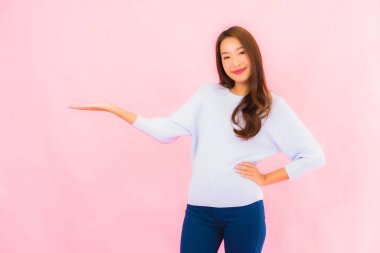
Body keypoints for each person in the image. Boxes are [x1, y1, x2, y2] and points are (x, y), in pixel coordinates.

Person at [69, 25, 326, 253]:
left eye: (240, 52)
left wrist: (266, 178)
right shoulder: (207, 96)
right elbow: (165, 131)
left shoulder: (272, 106)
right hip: (200, 212)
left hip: (245, 212)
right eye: (226, 56)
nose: (234, 61)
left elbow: (313, 156)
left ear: (253, 54)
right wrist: (113, 108)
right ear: (220, 62)